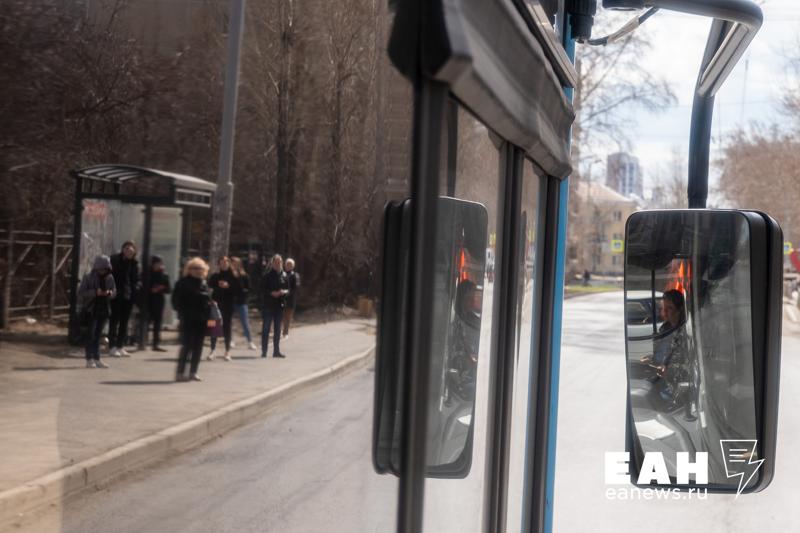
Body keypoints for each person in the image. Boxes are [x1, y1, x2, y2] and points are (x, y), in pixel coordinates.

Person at [172, 258, 212, 382]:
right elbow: (176, 301)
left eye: (201, 268)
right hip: (188, 319)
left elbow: (207, 301)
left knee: (198, 346)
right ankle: (180, 372)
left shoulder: (204, 283)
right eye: (195, 268)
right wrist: (183, 313)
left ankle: (193, 372)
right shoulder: (182, 283)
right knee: (187, 345)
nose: (198, 271)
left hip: (202, 319)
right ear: (189, 270)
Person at [78, 255, 117, 368]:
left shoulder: (110, 278)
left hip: (104, 309)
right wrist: (95, 292)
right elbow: (81, 293)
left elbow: (114, 292)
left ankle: (97, 358)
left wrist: (109, 293)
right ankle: (89, 359)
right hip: (92, 309)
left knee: (98, 335)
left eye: (104, 269)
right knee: (90, 335)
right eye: (100, 268)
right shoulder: (88, 277)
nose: (102, 271)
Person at [109, 241, 139, 357]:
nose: (129, 252)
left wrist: (135, 292)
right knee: (114, 321)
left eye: (131, 250)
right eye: (126, 249)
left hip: (128, 296)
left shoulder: (134, 264)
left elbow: (135, 280)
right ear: (122, 250)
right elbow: (111, 275)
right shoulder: (115, 260)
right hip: (117, 295)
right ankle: (112, 346)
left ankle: (120, 346)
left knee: (124, 322)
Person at [208, 256, 239, 361]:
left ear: (229, 263)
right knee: (213, 327)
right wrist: (217, 285)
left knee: (227, 327)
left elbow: (238, 290)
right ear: (219, 264)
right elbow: (209, 286)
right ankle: (212, 350)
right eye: (222, 262)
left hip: (228, 305)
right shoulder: (215, 276)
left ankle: (227, 351)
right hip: (215, 305)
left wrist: (228, 286)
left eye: (226, 262)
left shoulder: (233, 276)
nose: (224, 264)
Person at [260, 254, 289, 358]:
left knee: (277, 329)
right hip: (268, 305)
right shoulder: (267, 275)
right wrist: (271, 293)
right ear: (272, 263)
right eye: (276, 262)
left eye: (279, 262)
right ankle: (264, 351)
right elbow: (262, 289)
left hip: (279, 305)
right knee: (266, 329)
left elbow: (288, 289)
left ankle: (276, 351)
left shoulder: (284, 275)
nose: (278, 264)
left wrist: (284, 292)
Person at [231, 257, 258, 350]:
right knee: (230, 322)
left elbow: (249, 288)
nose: (234, 265)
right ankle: (231, 340)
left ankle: (250, 342)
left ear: (239, 264)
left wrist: (243, 292)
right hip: (231, 302)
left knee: (245, 322)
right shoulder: (229, 275)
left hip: (242, 302)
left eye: (236, 263)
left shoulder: (244, 275)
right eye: (233, 263)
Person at [148, 255, 171, 352]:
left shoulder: (164, 275)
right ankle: (140, 341)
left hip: (159, 300)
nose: (158, 265)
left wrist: (161, 288)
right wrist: (151, 289)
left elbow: (169, 290)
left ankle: (155, 344)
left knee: (157, 323)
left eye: (160, 263)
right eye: (157, 263)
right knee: (145, 321)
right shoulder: (147, 274)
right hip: (148, 300)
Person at [282, 258, 300, 339]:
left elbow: (296, 288)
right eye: (287, 264)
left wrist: (287, 292)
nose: (288, 266)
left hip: (290, 299)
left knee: (288, 316)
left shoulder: (295, 275)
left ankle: (285, 332)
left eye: (290, 265)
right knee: (281, 316)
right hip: (281, 299)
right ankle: (280, 331)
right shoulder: (281, 274)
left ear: (293, 266)